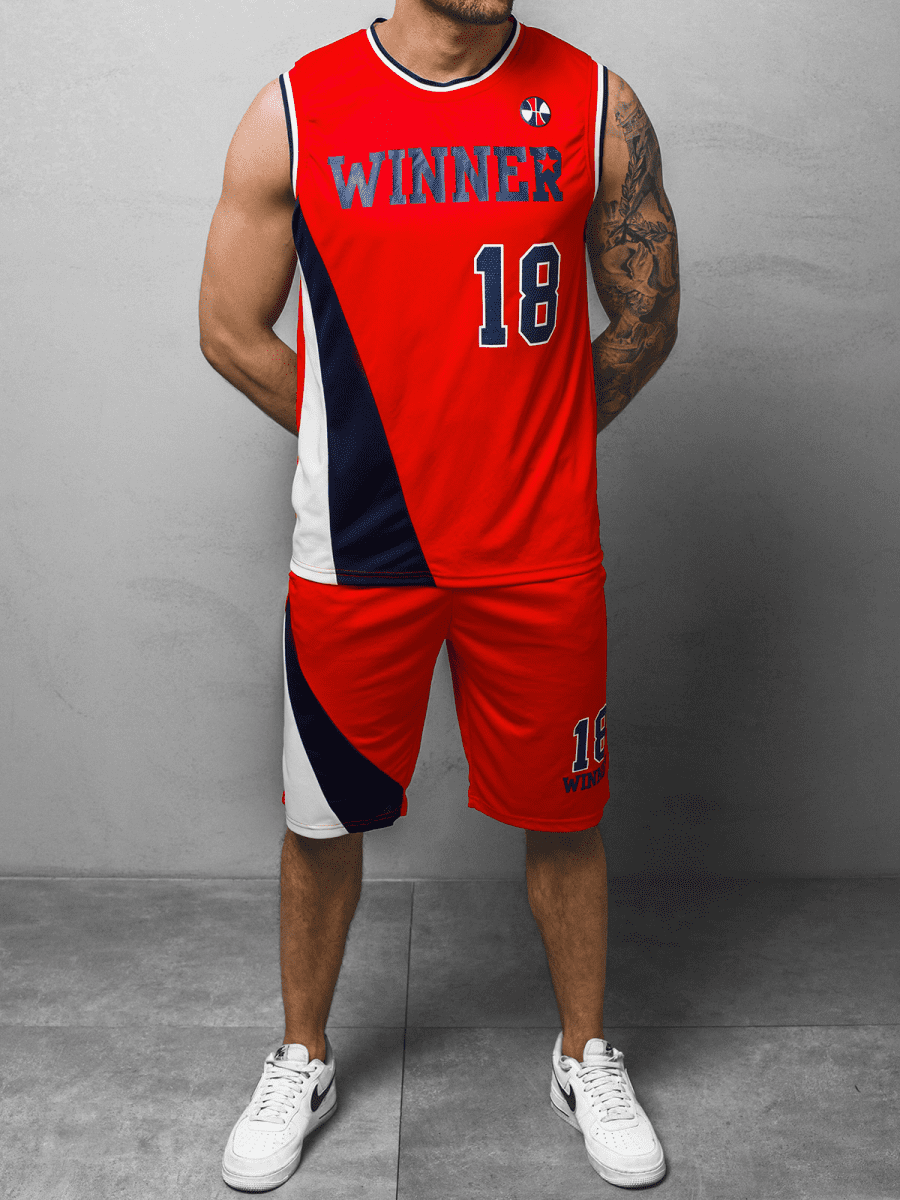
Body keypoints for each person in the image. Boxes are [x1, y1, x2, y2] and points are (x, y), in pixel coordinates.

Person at [199, 0, 679, 1188]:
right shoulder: (298, 111)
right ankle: (302, 1055)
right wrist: (357, 449)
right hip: (360, 549)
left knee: (565, 813)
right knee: (324, 820)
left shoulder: (595, 104)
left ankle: (585, 1055)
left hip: (537, 544)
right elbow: (229, 328)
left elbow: (648, 311)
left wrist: (540, 449)